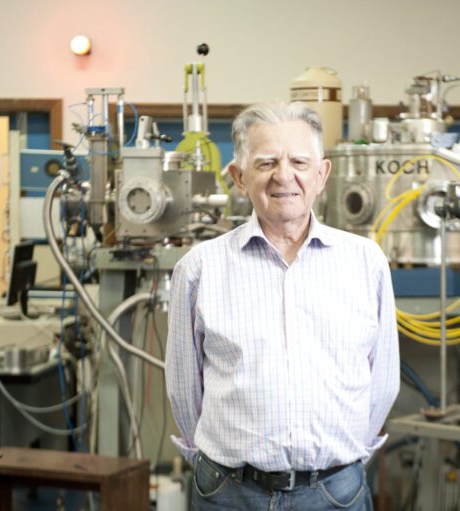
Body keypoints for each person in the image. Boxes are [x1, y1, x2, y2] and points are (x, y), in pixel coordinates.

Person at [165, 102, 400, 510]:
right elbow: (184, 393)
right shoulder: (199, 269)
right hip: (230, 494)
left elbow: (383, 383)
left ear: (322, 175)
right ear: (239, 177)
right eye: (267, 162)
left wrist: (337, 461)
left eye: (299, 162)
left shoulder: (366, 263)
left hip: (335, 494)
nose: (284, 176)